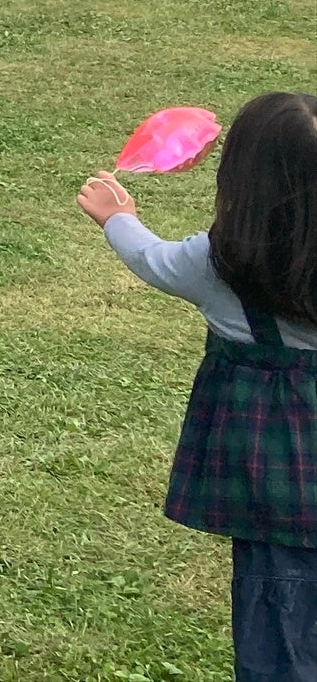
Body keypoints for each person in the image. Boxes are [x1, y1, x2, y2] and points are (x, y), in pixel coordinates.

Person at [77, 93, 314, 682]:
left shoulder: (219, 262)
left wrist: (117, 216)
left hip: (277, 486)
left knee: (281, 627)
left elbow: (151, 258)